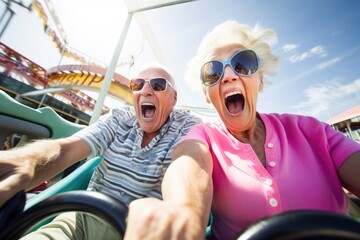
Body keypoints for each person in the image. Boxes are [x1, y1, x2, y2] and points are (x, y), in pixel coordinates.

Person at [124, 20, 360, 240]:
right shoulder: (204, 135)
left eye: (243, 64)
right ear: (207, 93)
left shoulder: (309, 130)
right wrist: (182, 210)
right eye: (213, 73)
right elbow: (189, 160)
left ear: (260, 80)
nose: (227, 76)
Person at [0, 63, 202, 239]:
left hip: (140, 231)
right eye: (137, 84)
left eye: (157, 85)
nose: (146, 91)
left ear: (174, 97)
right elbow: (67, 149)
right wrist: (26, 162)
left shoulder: (188, 126)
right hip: (83, 218)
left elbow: (188, 163)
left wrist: (182, 208)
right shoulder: (119, 117)